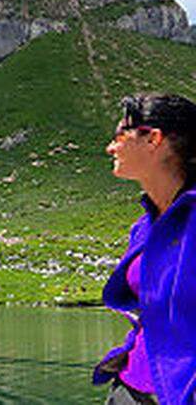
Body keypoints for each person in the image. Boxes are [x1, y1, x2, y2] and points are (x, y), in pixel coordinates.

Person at [94, 94, 196, 404]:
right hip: (130, 390)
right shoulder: (143, 226)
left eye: (120, 136)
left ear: (153, 138)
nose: (111, 148)